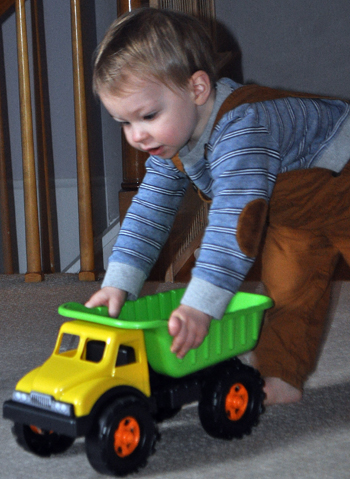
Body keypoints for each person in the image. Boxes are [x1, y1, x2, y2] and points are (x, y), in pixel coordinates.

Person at [86, 7, 350, 405]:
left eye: (148, 115)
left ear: (197, 89)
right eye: (123, 122)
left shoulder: (241, 129)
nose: (137, 136)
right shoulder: (168, 144)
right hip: (293, 212)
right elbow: (148, 213)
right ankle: (282, 375)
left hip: (342, 181)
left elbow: (233, 223)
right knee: (287, 292)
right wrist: (118, 282)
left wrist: (200, 306)